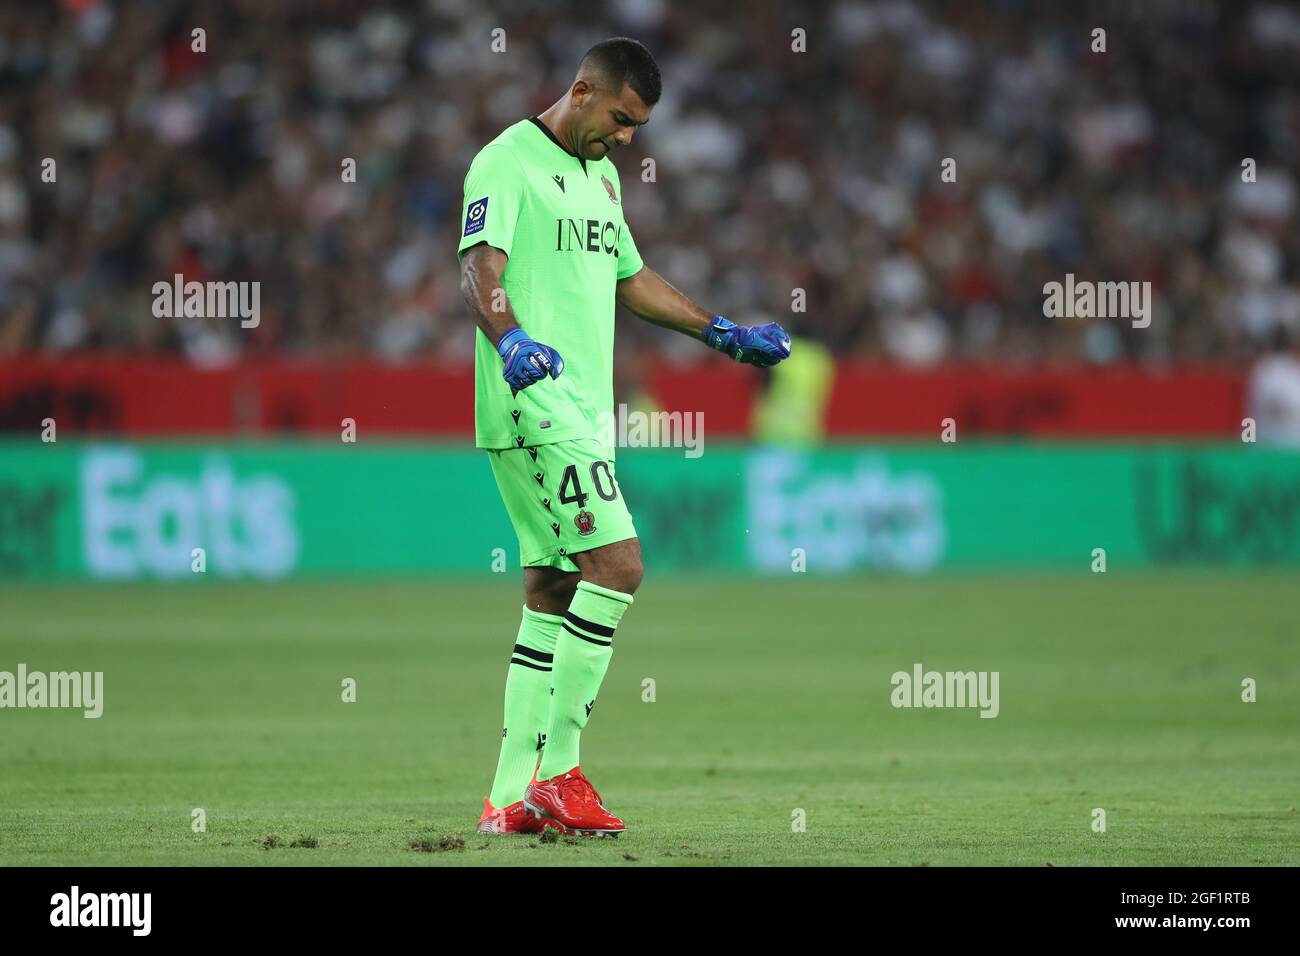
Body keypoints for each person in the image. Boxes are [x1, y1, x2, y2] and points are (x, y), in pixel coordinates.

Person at [456, 37, 791, 836]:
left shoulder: (601, 177)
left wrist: (721, 332)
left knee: (553, 590)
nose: (627, 140)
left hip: (583, 414)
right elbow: (477, 267)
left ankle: (509, 797)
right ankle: (561, 774)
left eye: (638, 127)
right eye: (620, 119)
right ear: (581, 91)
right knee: (619, 565)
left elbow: (629, 278)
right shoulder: (506, 162)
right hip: (534, 402)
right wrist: (509, 341)